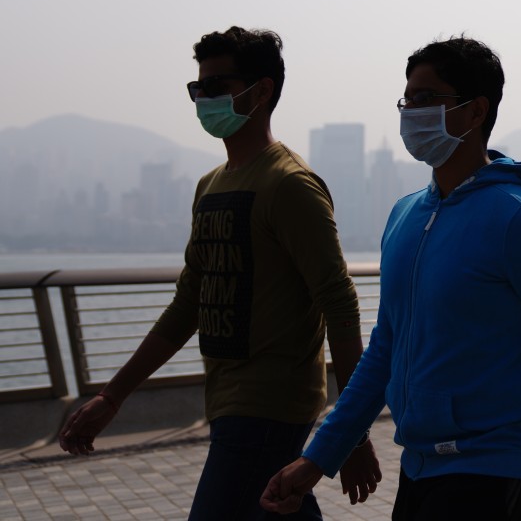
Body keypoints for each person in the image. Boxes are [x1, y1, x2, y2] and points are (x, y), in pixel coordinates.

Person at [260, 36, 521, 520]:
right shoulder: (403, 217)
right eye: (407, 100)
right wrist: (318, 458)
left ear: (476, 111)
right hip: (418, 467)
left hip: (494, 471)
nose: (411, 112)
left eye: (427, 99)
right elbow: (385, 350)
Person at [58, 26, 382, 519]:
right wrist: (111, 396)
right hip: (227, 402)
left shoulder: (290, 185)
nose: (204, 99)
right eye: (198, 88)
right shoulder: (210, 186)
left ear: (262, 91)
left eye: (218, 87)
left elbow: (338, 303)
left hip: (270, 408)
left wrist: (352, 435)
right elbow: (188, 304)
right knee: (282, 507)